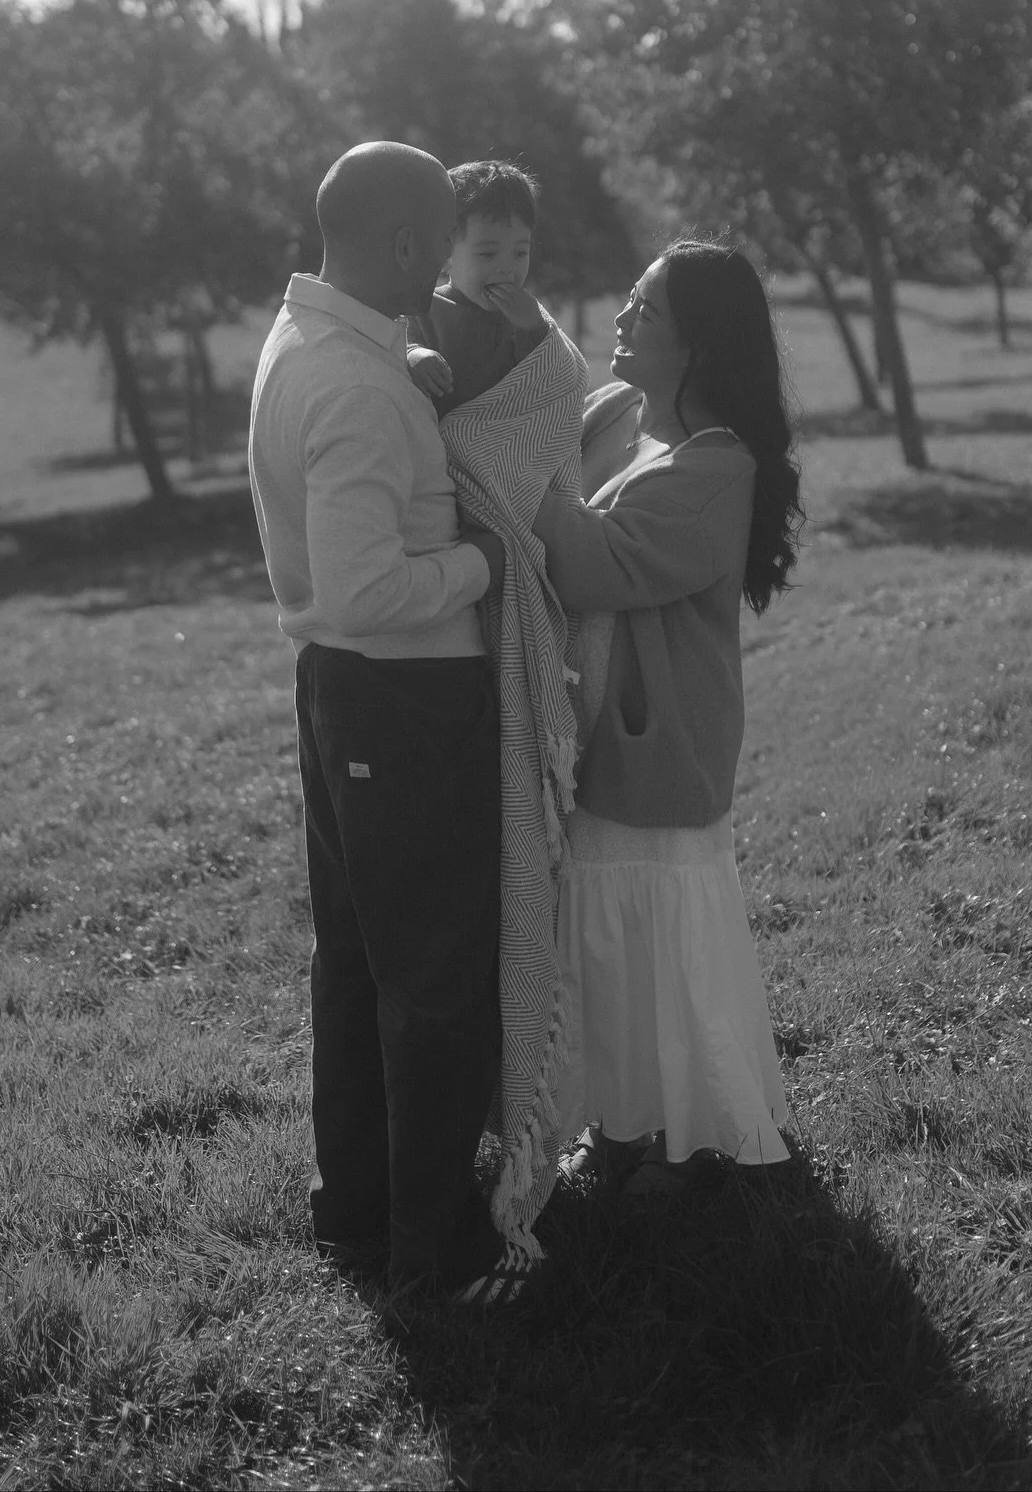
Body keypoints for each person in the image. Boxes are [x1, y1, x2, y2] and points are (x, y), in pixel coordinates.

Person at [248, 140, 517, 1299]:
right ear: (407, 245)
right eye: (440, 246)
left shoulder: (309, 337)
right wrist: (482, 561)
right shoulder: (357, 390)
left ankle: (356, 1215)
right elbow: (367, 590)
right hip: (401, 696)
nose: (448, 269)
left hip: (340, 690)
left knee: (358, 962)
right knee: (435, 978)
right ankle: (438, 1253)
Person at [531, 239, 803, 1184]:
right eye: (631, 298)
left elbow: (598, 562)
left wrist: (514, 478)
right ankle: (618, 1124)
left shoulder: (717, 467)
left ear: (694, 345)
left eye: (645, 310)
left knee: (657, 950)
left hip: (659, 745)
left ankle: (690, 1137)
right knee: (604, 949)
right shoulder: (614, 414)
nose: (622, 319)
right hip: (594, 736)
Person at [406, 160, 551, 414]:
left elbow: (545, 379)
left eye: (520, 252)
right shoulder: (424, 308)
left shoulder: (525, 315)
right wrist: (414, 356)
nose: (507, 268)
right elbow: (393, 351)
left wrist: (532, 328)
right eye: (488, 254)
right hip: (444, 434)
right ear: (445, 253)